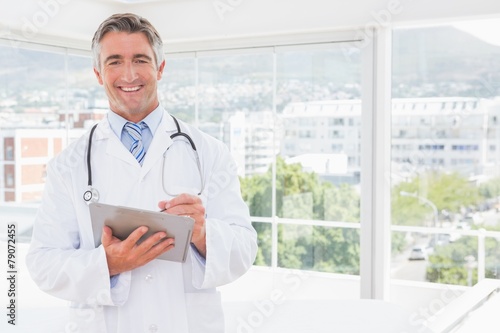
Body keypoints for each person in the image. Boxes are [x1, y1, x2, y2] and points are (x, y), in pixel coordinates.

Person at [26, 13, 258, 333]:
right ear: (98, 73)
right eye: (115, 61)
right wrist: (108, 264)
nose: (129, 74)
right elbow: (43, 264)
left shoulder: (208, 152)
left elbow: (245, 248)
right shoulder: (68, 165)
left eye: (140, 59)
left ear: (160, 68)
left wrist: (204, 234)